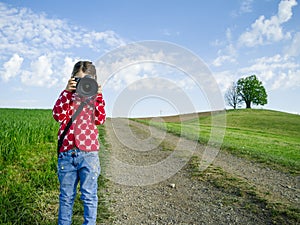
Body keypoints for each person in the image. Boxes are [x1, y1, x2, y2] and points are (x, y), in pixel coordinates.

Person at [52, 61, 106, 225]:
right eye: (78, 79)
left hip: (89, 155)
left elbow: (100, 119)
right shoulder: (68, 97)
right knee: (66, 197)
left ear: (94, 80)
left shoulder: (94, 98)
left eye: (87, 79)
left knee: (89, 195)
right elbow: (58, 116)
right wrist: (66, 92)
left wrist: (98, 96)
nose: (83, 83)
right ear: (72, 79)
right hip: (67, 154)